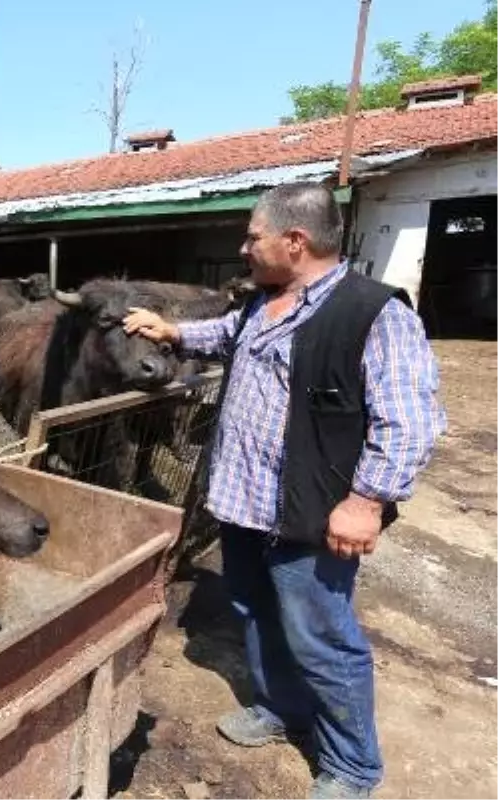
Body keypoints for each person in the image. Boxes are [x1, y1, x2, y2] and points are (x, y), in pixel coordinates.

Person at [123, 182, 446, 800]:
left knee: (322, 637)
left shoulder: (374, 313)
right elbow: (224, 337)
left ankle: (353, 766)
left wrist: (366, 502)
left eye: (253, 236)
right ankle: (280, 709)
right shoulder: (263, 305)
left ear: (294, 241)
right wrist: (171, 331)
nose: (245, 247)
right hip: (245, 506)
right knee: (256, 610)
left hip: (314, 513)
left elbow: (409, 423)